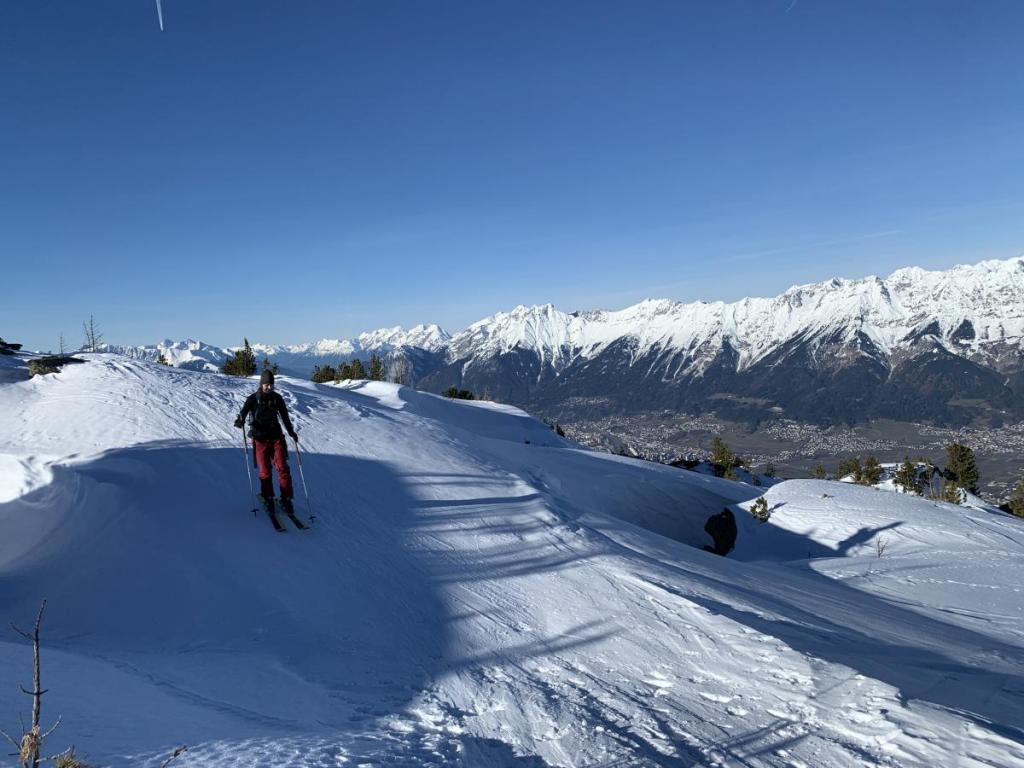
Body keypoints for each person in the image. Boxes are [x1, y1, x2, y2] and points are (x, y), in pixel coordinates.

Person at [234, 370, 298, 515]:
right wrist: (240, 421)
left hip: (276, 438)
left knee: (283, 468)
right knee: (265, 471)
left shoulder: (277, 399)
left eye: (271, 385)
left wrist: (291, 432)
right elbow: (243, 413)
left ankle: (286, 499)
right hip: (260, 439)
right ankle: (268, 497)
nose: (269, 387)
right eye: (266, 384)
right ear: (261, 384)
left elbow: (285, 417)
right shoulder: (252, 399)